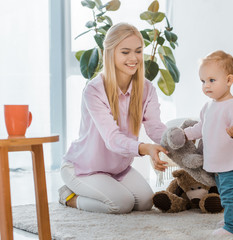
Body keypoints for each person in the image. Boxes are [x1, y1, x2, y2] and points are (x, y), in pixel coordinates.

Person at [58, 22, 169, 214]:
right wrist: (145, 149)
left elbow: (155, 128)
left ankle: (105, 188)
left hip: (118, 169)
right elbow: (112, 139)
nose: (134, 58)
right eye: (125, 52)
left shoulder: (147, 89)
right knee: (121, 204)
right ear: (110, 53)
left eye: (138, 51)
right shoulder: (94, 90)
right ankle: (69, 197)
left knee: (145, 203)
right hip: (84, 168)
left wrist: (177, 141)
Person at [183, 50, 233, 235]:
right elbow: (201, 127)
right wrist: (185, 135)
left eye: (212, 80)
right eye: (203, 81)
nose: (206, 85)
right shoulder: (208, 107)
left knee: (230, 196)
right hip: (220, 165)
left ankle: (232, 227)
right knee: (224, 195)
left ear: (229, 80)